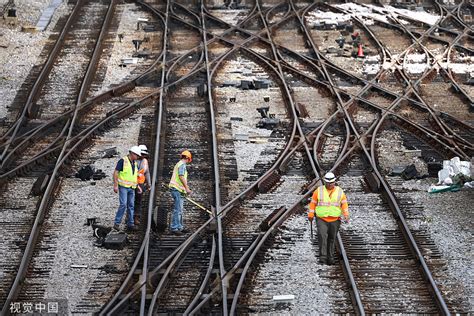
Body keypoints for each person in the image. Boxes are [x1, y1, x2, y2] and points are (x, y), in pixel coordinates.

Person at [308, 172, 349, 265]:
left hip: (335, 219)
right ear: (325, 182)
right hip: (321, 218)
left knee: (332, 238)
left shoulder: (339, 191)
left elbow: (344, 203)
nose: (330, 184)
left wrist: (346, 214)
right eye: (328, 183)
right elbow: (313, 203)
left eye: (332, 183)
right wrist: (310, 214)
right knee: (322, 236)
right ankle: (323, 257)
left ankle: (330, 257)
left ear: (334, 182)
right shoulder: (319, 191)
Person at [113, 146, 141, 231]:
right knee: (123, 204)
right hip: (123, 187)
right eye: (137, 155)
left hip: (132, 187)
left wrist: (137, 186)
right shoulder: (123, 161)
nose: (138, 157)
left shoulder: (134, 163)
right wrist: (115, 185)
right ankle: (117, 223)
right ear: (132, 154)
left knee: (131, 206)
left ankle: (130, 224)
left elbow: (134, 176)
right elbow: (116, 172)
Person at [168, 150, 192, 235]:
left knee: (180, 209)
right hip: (176, 189)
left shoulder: (179, 164)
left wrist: (184, 190)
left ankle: (180, 227)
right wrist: (187, 188)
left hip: (179, 190)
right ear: (188, 158)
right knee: (177, 210)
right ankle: (174, 228)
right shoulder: (182, 165)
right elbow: (181, 177)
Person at [134, 144, 151, 225]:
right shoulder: (133, 160)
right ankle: (131, 218)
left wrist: (149, 184)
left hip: (140, 184)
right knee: (131, 202)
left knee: (138, 201)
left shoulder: (144, 161)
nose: (143, 156)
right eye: (142, 154)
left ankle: (136, 217)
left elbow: (147, 173)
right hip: (132, 183)